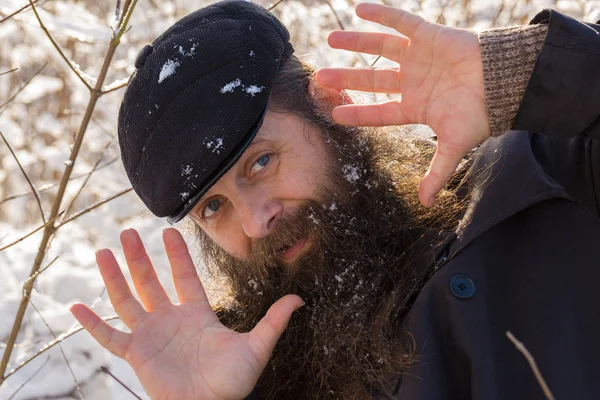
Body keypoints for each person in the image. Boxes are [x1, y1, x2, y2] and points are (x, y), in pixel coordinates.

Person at [69, 1, 600, 399]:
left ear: (328, 104)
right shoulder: (249, 369)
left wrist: (528, 73)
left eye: (261, 162)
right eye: (214, 207)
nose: (256, 222)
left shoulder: (538, 180)